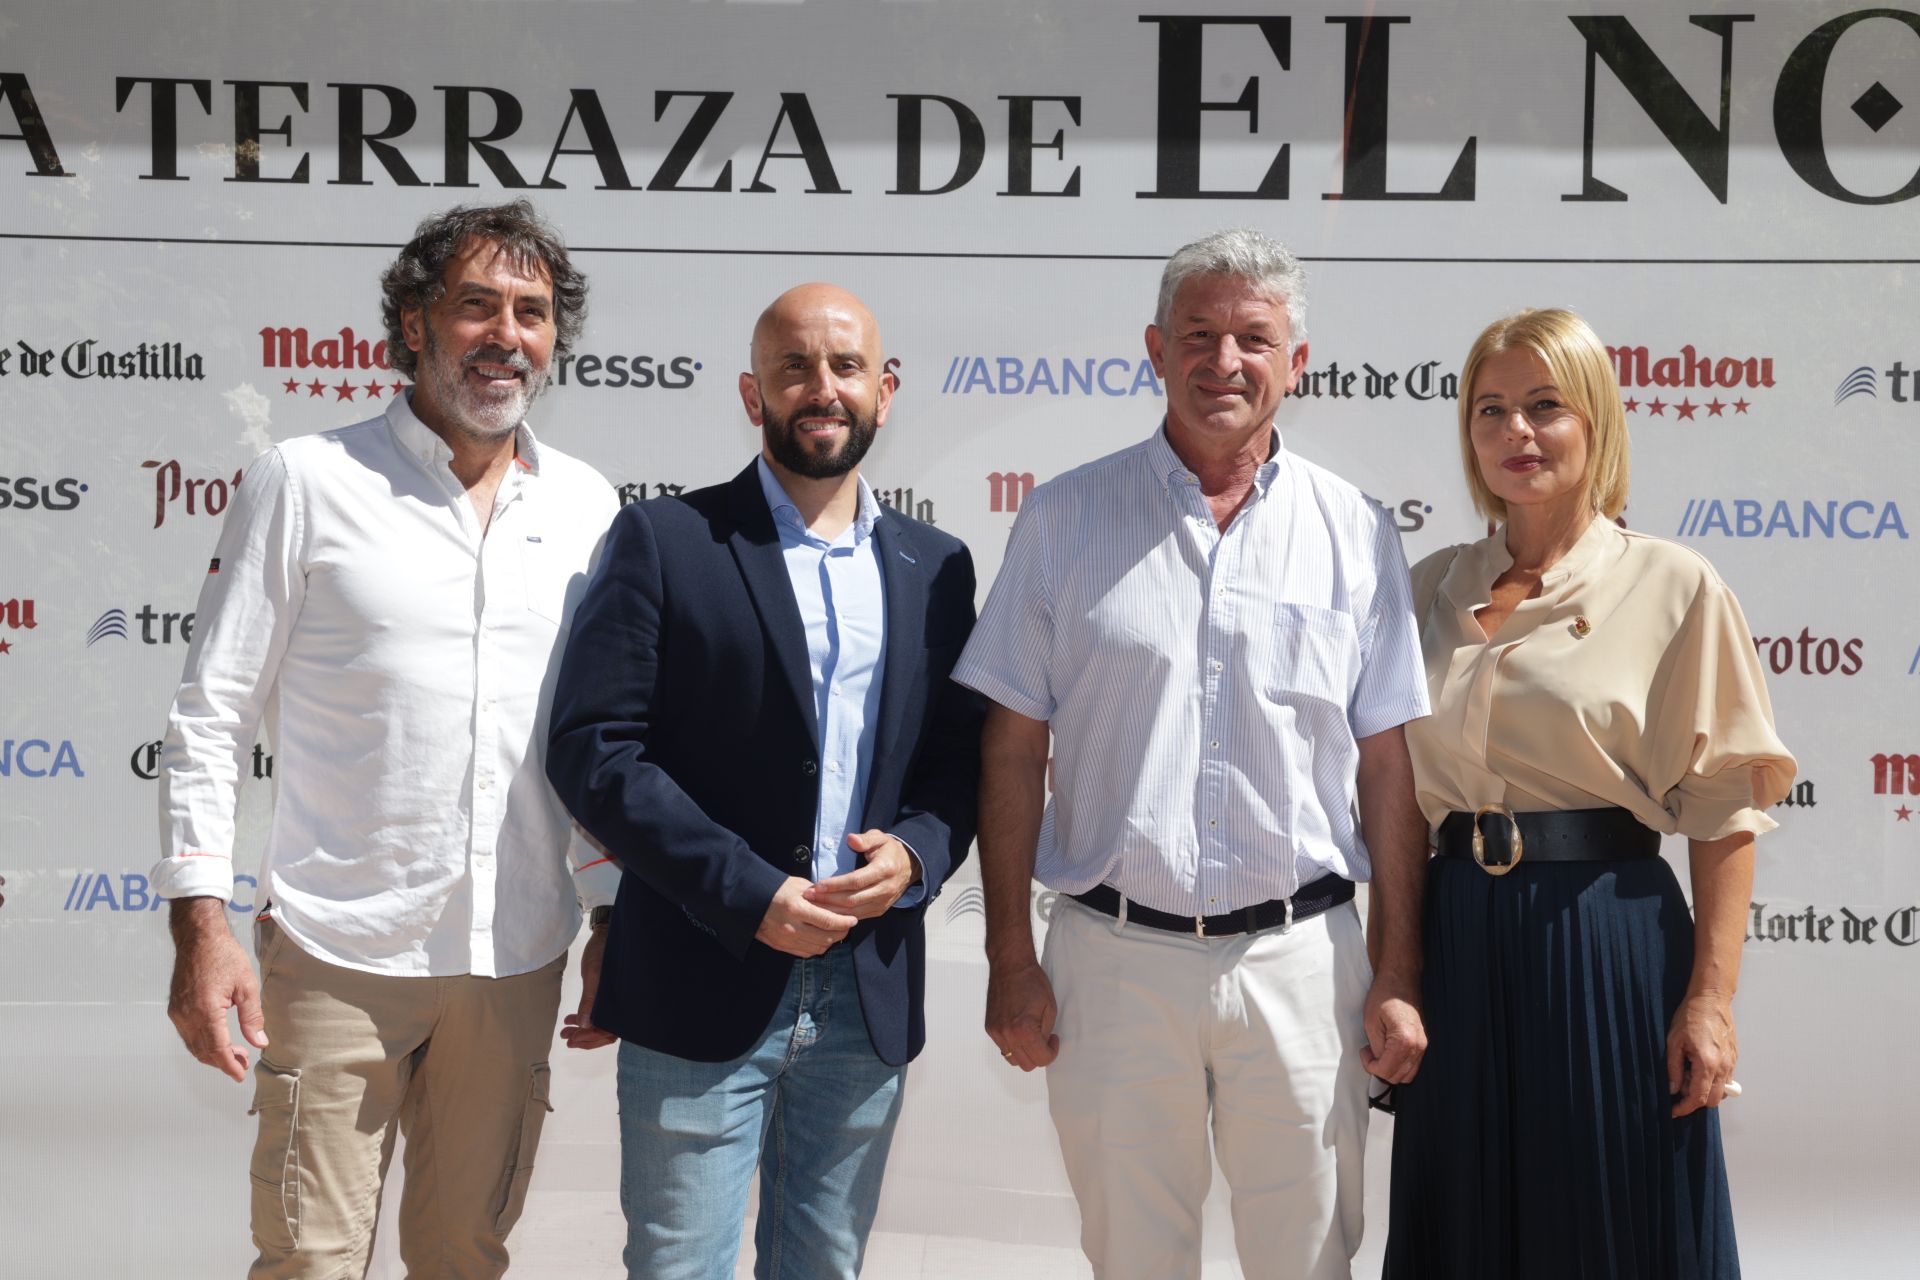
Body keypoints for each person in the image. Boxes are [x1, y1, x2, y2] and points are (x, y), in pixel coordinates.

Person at [153, 200, 621, 1279]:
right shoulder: (305, 482)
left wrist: (613, 911)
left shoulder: (591, 508)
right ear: (414, 324)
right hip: (333, 955)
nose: (507, 333)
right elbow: (210, 713)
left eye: (533, 312)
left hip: (515, 953)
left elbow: (596, 744)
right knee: (309, 1260)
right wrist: (204, 926)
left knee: (465, 1255)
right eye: (476, 305)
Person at [954, 227, 1433, 1280]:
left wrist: (1395, 971)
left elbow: (1390, 770)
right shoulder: (1063, 516)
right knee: (1133, 1260)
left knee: (1310, 1262)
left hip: (1304, 967)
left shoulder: (1353, 529)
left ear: (1296, 362)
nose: (1226, 360)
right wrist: (1008, 958)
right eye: (1199, 334)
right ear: (1154, 350)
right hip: (1112, 962)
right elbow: (1009, 750)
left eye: (1253, 338)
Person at [544, 283, 982, 1280]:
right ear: (753, 393)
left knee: (824, 1264)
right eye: (794, 367)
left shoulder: (937, 566)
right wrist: (748, 893)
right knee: (678, 1266)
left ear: (886, 389)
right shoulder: (665, 540)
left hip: (864, 989)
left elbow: (960, 761)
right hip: (701, 970)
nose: (820, 387)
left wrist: (916, 852)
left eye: (844, 367)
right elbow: (594, 747)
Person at [1381, 307, 1796, 1279]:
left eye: (1544, 406)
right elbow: (1396, 803)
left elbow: (1727, 808)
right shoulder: (1428, 585)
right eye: (1491, 410)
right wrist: (1395, 969)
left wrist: (1709, 998)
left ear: (1596, 422)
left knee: (1607, 1217)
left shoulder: (1673, 585)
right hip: (1459, 937)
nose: (1516, 432)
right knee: (1464, 1216)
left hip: (1603, 937)